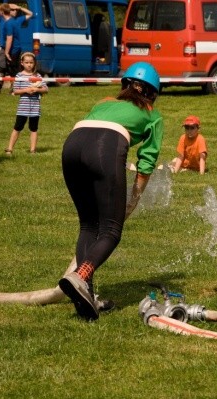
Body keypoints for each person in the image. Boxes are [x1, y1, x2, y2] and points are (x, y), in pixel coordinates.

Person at [58, 62, 164, 321]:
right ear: (151, 93)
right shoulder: (152, 114)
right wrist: (134, 199)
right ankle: (80, 276)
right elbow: (147, 162)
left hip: (71, 145)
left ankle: (86, 296)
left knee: (88, 226)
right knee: (111, 230)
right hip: (105, 147)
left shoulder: (103, 102)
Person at [5, 52, 47, 154]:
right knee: (17, 127)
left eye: (31, 62)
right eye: (27, 62)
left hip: (35, 108)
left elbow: (46, 89)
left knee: (34, 128)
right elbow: (15, 91)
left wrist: (37, 90)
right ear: (22, 63)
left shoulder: (38, 75)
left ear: (34, 63)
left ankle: (33, 150)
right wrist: (26, 90)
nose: (29, 64)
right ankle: (9, 149)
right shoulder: (19, 75)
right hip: (22, 108)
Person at [5, 3, 33, 78]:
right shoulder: (5, 19)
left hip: (15, 49)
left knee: (14, 70)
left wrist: (19, 7)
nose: (15, 11)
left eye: (16, 10)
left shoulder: (18, 20)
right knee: (10, 69)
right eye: (12, 10)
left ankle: (17, 85)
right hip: (9, 48)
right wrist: (8, 6)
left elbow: (30, 14)